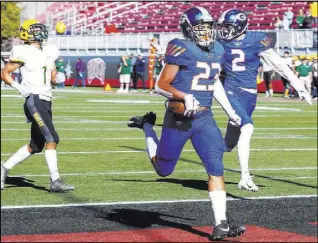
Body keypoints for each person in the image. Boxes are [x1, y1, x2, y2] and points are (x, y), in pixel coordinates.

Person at [127, 7, 245, 241]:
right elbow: (160, 85)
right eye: (200, 28)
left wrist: (230, 110)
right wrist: (182, 95)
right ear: (188, 29)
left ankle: (221, 223)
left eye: (208, 27)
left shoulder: (218, 49)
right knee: (163, 170)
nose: (206, 32)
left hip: (205, 118)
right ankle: (147, 126)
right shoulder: (180, 47)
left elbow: (214, 83)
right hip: (179, 119)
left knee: (216, 167)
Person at [217, 9, 312, 192]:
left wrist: (298, 85)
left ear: (239, 27)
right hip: (231, 89)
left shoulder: (256, 39)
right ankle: (244, 177)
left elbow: (279, 64)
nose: (224, 31)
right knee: (248, 127)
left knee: (228, 144)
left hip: (250, 95)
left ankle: (205, 148)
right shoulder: (220, 42)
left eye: (228, 27)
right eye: (223, 27)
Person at [0, 19, 74, 192]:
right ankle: (55, 180)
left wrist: (59, 77)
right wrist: (20, 88)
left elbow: (53, 78)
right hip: (34, 99)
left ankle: (3, 168)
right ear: (27, 33)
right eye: (36, 29)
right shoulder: (23, 51)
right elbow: (5, 74)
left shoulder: (48, 51)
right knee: (52, 139)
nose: (40, 31)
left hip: (46, 99)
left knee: (35, 145)